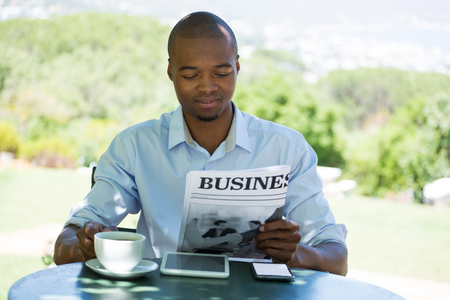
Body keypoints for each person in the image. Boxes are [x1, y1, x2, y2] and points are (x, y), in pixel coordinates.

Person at [53, 11, 348, 276]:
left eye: (221, 73)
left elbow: (337, 259)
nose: (207, 86)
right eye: (191, 74)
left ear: (238, 67)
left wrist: (297, 253)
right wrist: (88, 244)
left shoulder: (286, 148)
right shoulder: (135, 147)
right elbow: (64, 246)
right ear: (170, 72)